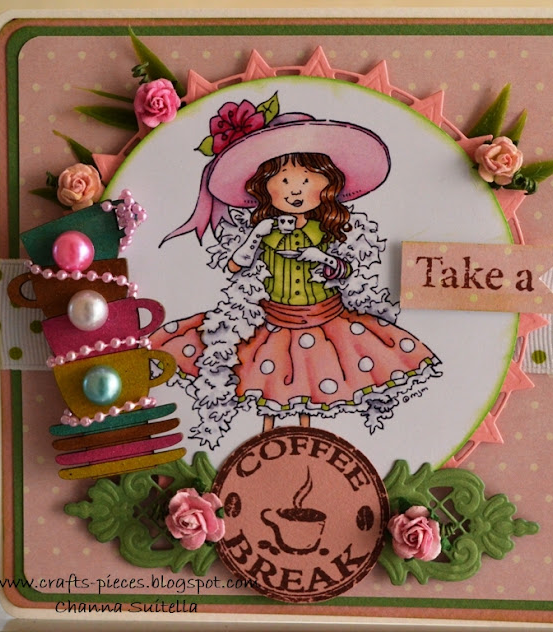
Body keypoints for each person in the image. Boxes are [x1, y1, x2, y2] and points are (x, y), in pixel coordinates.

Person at [152, 96, 442, 448]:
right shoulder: (265, 232)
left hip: (325, 322)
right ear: (263, 187)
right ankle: (263, 448)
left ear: (328, 185)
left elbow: (346, 271)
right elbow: (235, 265)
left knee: (309, 391)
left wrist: (321, 258)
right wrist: (256, 236)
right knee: (269, 392)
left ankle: (306, 450)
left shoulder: (328, 231)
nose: (295, 190)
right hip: (272, 322)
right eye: (284, 179)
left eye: (306, 179)